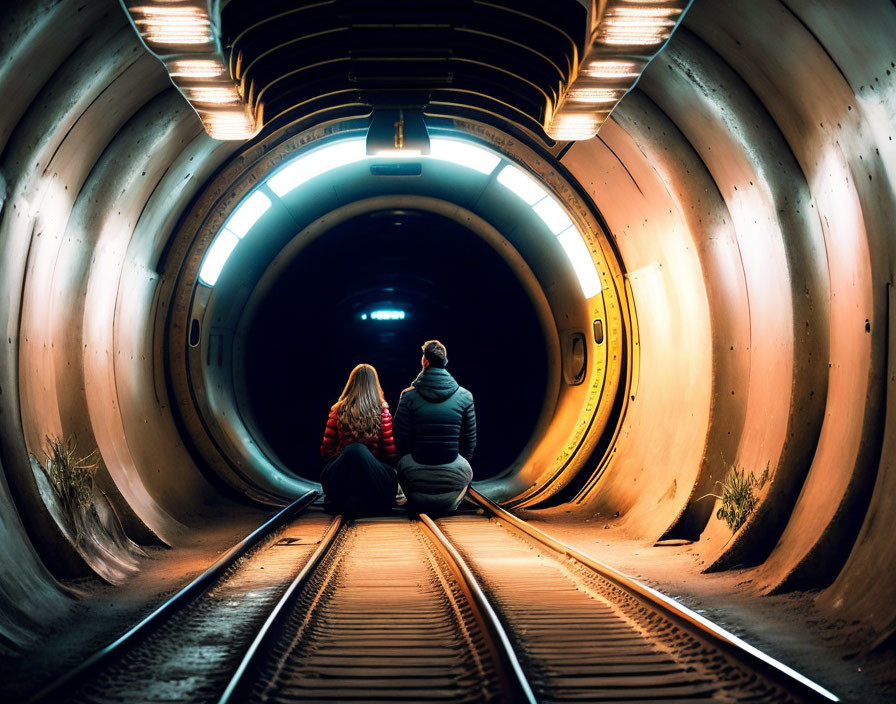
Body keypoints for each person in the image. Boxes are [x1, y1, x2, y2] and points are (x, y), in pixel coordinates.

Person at [394, 340, 476, 515]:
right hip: (454, 476)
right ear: (445, 362)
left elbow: (400, 439)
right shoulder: (466, 397)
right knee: (466, 467)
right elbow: (469, 441)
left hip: (414, 475)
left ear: (425, 361)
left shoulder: (408, 397)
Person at [319, 363, 397, 516]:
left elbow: (326, 452)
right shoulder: (383, 412)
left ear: (351, 384)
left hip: (343, 481)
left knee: (352, 452)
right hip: (372, 482)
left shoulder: (337, 410)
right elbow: (390, 454)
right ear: (374, 384)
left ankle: (343, 500)